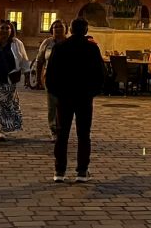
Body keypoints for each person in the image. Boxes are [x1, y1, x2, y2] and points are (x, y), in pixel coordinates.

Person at [46, 18, 105, 182]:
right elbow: (100, 73)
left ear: (70, 30)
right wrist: (93, 92)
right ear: (86, 30)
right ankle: (82, 171)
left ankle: (59, 171)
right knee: (84, 134)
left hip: (64, 96)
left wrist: (56, 92)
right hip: (84, 96)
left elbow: (50, 74)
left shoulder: (60, 47)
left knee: (62, 134)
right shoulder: (92, 48)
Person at [35, 20, 68, 142]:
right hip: (50, 78)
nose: (58, 29)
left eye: (60, 27)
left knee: (64, 106)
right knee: (52, 106)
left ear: (66, 29)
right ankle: (54, 130)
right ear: (51, 30)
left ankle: (63, 129)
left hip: (66, 79)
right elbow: (40, 61)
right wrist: (38, 78)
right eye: (55, 27)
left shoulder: (69, 43)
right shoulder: (47, 43)